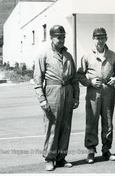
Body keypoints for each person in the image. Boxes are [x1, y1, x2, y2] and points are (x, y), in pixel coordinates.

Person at [33, 25, 79, 171]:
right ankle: (50, 158)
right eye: (58, 37)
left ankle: (61, 157)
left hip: (68, 92)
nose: (61, 40)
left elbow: (74, 78)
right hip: (52, 92)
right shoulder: (44, 55)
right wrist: (42, 99)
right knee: (52, 126)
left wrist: (76, 96)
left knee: (65, 126)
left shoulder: (68, 56)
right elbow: (37, 80)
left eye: (63, 37)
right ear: (52, 38)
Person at [77, 27, 115, 164]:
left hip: (108, 91)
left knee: (108, 121)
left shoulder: (112, 55)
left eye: (102, 38)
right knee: (92, 121)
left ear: (106, 38)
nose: (100, 41)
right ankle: (91, 150)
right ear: (93, 39)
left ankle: (106, 149)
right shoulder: (87, 56)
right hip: (93, 92)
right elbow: (79, 74)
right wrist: (89, 82)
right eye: (97, 38)